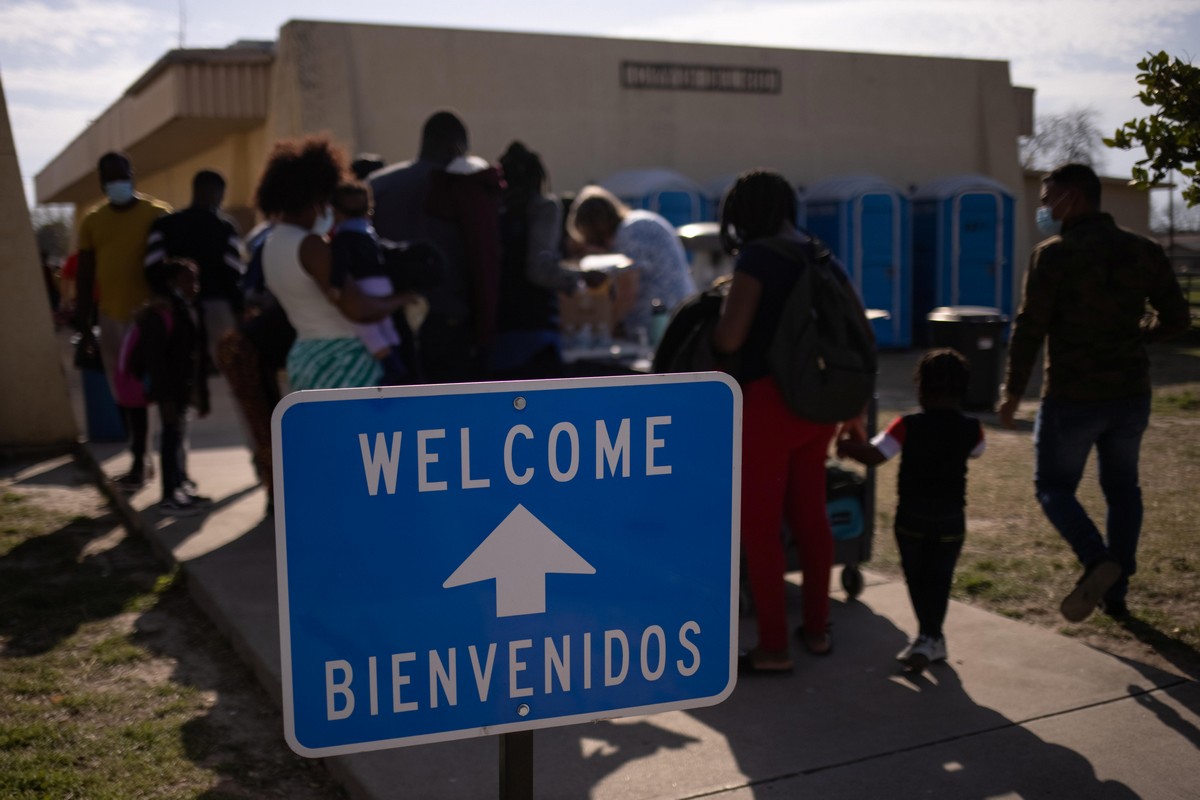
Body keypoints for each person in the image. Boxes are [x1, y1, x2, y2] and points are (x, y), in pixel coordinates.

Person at [998, 163, 1190, 622]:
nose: (1044, 208)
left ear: (1074, 198)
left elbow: (1030, 329)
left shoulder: (1053, 255)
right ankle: (1116, 589)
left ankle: (1097, 559)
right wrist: (1138, 333)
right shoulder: (1142, 250)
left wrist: (1011, 392)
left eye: (1048, 200)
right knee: (1123, 490)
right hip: (1130, 393)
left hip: (1072, 396)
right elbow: (1177, 318)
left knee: (1053, 486)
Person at [711, 170, 862, 673]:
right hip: (816, 405)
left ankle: (773, 646)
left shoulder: (758, 259)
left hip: (767, 405)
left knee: (759, 524)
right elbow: (856, 327)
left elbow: (730, 339)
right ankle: (816, 630)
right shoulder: (819, 253)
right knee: (810, 514)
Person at [838, 349, 985, 670]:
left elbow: (875, 455)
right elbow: (977, 452)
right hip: (951, 520)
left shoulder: (907, 425)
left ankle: (927, 637)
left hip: (912, 519)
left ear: (921, 387)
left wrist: (847, 447)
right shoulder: (972, 428)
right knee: (941, 579)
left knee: (917, 578)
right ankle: (932, 638)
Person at [256, 134, 417, 391]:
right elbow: (359, 310)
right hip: (343, 361)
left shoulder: (272, 243)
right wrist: (401, 299)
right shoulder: (311, 246)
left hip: (306, 357)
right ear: (316, 196)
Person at [370, 110, 503, 382]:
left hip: (387, 322)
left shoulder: (378, 186)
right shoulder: (464, 189)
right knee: (453, 416)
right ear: (458, 146)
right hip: (449, 319)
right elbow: (482, 260)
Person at [74, 151, 171, 489]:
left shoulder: (157, 214)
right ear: (102, 183)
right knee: (124, 395)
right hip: (112, 319)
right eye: (111, 178)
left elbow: (173, 266)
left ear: (133, 175)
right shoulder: (93, 221)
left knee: (153, 392)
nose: (119, 182)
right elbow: (85, 277)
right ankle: (139, 458)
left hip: (149, 320)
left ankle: (149, 462)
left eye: (123, 175)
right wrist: (85, 326)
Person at [491, 141, 591, 379]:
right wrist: (581, 277)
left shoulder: (495, 210)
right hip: (536, 333)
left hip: (499, 329)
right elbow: (539, 269)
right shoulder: (543, 208)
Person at [120, 258, 211, 515]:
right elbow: (155, 360)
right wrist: (165, 398)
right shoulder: (161, 314)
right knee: (170, 439)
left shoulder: (187, 308)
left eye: (195, 279)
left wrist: (201, 395)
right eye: (187, 279)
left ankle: (180, 485)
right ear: (172, 283)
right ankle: (169, 494)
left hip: (181, 388)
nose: (194, 285)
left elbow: (195, 354)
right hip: (168, 391)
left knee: (178, 438)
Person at [143, 169, 245, 366]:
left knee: (181, 370)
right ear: (216, 193)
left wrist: (166, 295)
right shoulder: (225, 227)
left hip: (175, 310)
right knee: (226, 373)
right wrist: (239, 312)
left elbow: (151, 267)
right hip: (217, 309)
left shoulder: (164, 224)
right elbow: (234, 275)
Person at [567, 185, 696, 339]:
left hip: (666, 325)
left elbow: (627, 294)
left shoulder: (630, 232)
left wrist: (604, 330)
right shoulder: (635, 224)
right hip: (674, 318)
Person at [329, 180, 409, 385]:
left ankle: (390, 365)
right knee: (385, 323)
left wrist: (336, 287)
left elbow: (341, 264)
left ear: (336, 212)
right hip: (383, 284)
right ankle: (398, 354)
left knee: (366, 327)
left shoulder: (342, 237)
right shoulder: (369, 233)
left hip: (365, 285)